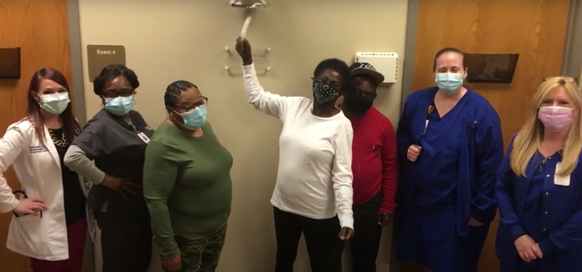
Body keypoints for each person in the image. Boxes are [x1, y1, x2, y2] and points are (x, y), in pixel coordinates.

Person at [235, 38, 354, 272]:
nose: (326, 86)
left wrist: (346, 216)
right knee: (284, 261)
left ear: (341, 92)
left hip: (319, 214)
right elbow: (257, 98)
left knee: (323, 266)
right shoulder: (293, 106)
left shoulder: (342, 126)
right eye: (322, 80)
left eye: (333, 84)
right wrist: (247, 61)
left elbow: (342, 176)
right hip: (284, 206)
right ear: (313, 80)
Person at [395, 47, 504, 272]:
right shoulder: (417, 101)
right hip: (419, 205)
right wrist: (407, 148)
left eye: (454, 69)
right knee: (421, 259)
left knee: (453, 263)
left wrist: (481, 210)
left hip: (457, 210)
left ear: (465, 72)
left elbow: (491, 165)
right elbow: (403, 133)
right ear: (434, 73)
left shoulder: (481, 112)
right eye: (442, 69)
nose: (448, 74)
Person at [0, 68, 92, 272]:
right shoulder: (23, 130)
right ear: (35, 96)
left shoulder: (73, 125)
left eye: (61, 90)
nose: (56, 96)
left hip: (77, 218)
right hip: (45, 222)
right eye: (48, 92)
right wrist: (12, 203)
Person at [63, 64, 153, 272]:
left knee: (140, 262)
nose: (120, 98)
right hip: (116, 209)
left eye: (125, 92)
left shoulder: (134, 117)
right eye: (112, 93)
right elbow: (72, 157)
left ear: (133, 92)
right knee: (119, 265)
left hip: (138, 205)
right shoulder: (100, 124)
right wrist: (109, 181)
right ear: (102, 96)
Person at [143, 80, 233, 272]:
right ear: (170, 110)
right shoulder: (162, 144)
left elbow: (217, 167)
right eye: (188, 106)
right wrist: (168, 250)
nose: (197, 110)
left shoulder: (205, 127)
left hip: (216, 228)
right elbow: (155, 200)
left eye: (200, 103)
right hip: (187, 237)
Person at [495, 76, 582, 272]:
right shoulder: (520, 142)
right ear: (538, 107)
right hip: (515, 251)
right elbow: (502, 187)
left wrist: (546, 246)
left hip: (562, 256)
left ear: (575, 109)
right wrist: (517, 234)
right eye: (547, 101)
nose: (554, 107)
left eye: (562, 103)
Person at [339, 62, 397, 272]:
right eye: (356, 91)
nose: (362, 96)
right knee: (327, 261)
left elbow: (390, 166)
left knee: (364, 264)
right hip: (330, 204)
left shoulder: (383, 124)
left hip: (368, 205)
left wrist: (386, 205)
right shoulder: (329, 118)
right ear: (345, 88)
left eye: (368, 93)